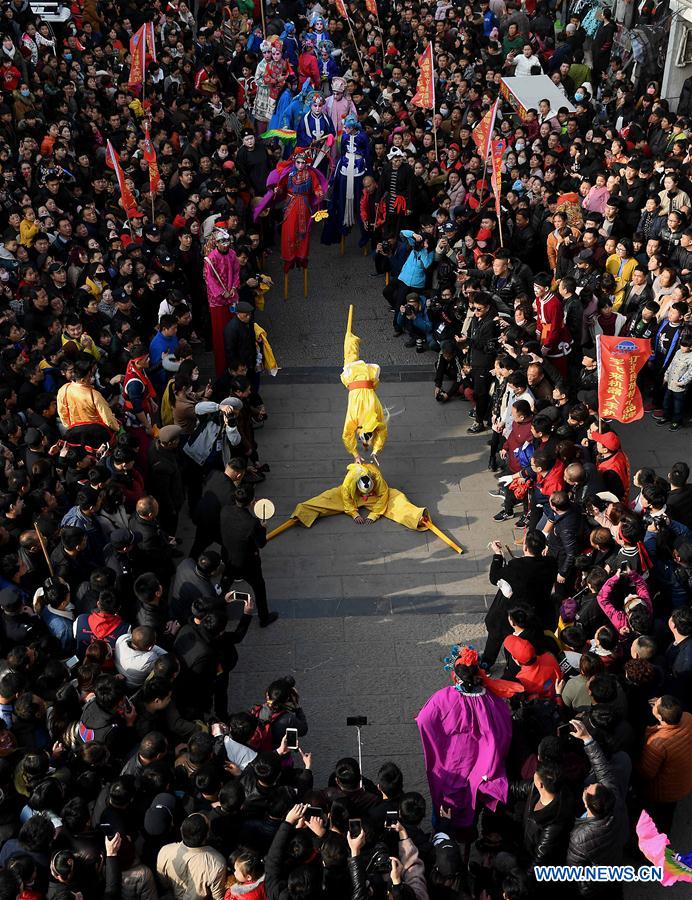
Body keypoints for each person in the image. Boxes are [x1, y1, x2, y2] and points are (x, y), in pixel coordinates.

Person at [220, 485, 278, 628]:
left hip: (229, 557)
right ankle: (263, 617)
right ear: (252, 502)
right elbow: (261, 543)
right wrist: (263, 529)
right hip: (248, 563)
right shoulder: (253, 523)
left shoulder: (225, 511)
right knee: (259, 587)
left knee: (224, 584)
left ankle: (218, 605)